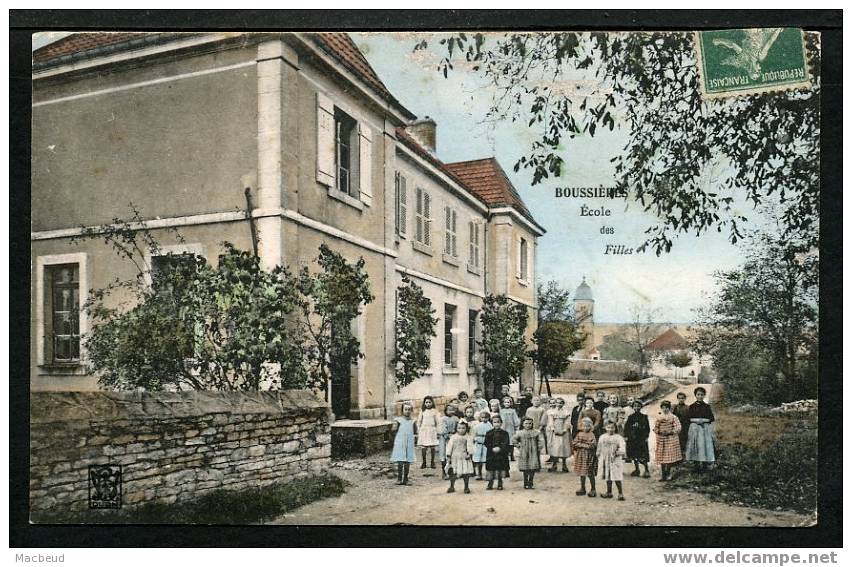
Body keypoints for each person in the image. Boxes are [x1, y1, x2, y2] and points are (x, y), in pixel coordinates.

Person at [685, 387, 716, 471]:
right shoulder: (691, 406)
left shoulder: (706, 406)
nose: (700, 396)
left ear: (704, 395)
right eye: (698, 394)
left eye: (702, 395)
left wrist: (703, 421)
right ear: (695, 395)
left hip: (704, 429)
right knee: (695, 445)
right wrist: (696, 421)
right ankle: (696, 465)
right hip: (694, 428)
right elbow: (688, 418)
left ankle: (705, 464)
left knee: (704, 445)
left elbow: (711, 418)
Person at [654, 400, 683, 481]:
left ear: (669, 408)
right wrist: (659, 431)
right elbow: (655, 428)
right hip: (661, 439)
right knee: (662, 457)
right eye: (663, 407)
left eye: (666, 407)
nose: (665, 409)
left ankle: (668, 473)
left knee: (669, 457)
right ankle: (663, 474)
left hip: (670, 439)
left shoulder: (674, 417)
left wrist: (671, 432)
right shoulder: (659, 417)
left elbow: (678, 427)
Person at [597, 420, 627, 500]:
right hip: (605, 458)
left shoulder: (618, 437)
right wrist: (599, 454)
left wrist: (617, 453)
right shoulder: (602, 437)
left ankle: (620, 493)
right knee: (607, 475)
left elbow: (623, 449)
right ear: (605, 428)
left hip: (615, 459)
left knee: (616, 476)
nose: (610, 429)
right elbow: (599, 447)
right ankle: (609, 492)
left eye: (612, 428)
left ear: (615, 428)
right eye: (608, 427)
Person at [390, 403, 418, 485]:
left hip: (409, 443)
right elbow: (393, 431)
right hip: (400, 442)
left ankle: (406, 479)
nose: (407, 411)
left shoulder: (413, 421)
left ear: (411, 410)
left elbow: (415, 432)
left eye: (409, 409)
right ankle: (399, 478)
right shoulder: (398, 420)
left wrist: (415, 440)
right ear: (402, 410)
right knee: (400, 460)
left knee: (407, 460)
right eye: (405, 409)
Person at [445, 420, 475, 493]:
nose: (461, 430)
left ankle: (466, 487)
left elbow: (470, 446)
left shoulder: (468, 437)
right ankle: (452, 486)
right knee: (453, 472)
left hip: (464, 457)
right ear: (456, 429)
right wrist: (448, 455)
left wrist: (469, 454)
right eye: (459, 428)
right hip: (454, 457)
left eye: (463, 428)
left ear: (466, 428)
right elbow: (449, 446)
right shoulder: (453, 437)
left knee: (465, 473)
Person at [571, 417, 598, 497]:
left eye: (587, 426)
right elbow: (574, 443)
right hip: (581, 456)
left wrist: (582, 445)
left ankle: (593, 489)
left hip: (589, 456)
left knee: (590, 473)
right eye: (584, 426)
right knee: (582, 472)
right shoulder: (579, 434)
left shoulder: (592, 435)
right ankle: (582, 488)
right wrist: (584, 445)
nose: (585, 428)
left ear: (591, 426)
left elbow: (592, 445)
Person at [513, 417, 542, 489]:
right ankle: (525, 482)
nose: (528, 425)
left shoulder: (536, 432)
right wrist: (518, 446)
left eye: (530, 423)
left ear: (532, 424)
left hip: (533, 452)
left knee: (532, 467)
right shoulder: (520, 433)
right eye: (526, 423)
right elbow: (514, 439)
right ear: (523, 424)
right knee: (525, 467)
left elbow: (540, 440)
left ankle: (530, 482)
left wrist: (538, 447)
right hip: (524, 452)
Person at [624, 400, 651, 478]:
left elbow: (647, 428)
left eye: (638, 406)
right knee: (634, 454)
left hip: (641, 439)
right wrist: (626, 436)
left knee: (643, 455)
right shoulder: (630, 417)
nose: (636, 408)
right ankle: (637, 469)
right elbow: (627, 428)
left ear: (641, 407)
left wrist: (646, 436)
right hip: (632, 439)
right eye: (635, 406)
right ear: (633, 407)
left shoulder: (644, 417)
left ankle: (646, 470)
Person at [545, 396, 572, 472]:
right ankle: (554, 465)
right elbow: (550, 421)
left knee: (564, 448)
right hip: (554, 431)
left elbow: (567, 421)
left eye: (561, 403)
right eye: (557, 402)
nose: (559, 404)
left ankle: (564, 465)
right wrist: (553, 429)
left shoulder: (566, 412)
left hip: (564, 431)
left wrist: (564, 430)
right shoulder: (551, 412)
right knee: (555, 447)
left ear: (563, 404)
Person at [484, 414, 510, 490]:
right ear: (492, 423)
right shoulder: (489, 433)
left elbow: (506, 442)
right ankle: (490, 482)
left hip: (501, 454)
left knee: (500, 468)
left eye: (498, 422)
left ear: (501, 423)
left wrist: (500, 448)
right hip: (491, 454)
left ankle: (500, 482)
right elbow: (486, 442)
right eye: (495, 422)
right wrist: (492, 448)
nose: (497, 424)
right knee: (491, 468)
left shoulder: (505, 433)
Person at [417, 396, 439, 469]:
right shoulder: (422, 411)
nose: (428, 404)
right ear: (424, 403)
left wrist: (437, 430)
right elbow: (419, 421)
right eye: (426, 402)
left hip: (432, 429)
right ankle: (424, 462)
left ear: (432, 403)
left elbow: (437, 421)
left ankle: (432, 462)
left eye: (429, 402)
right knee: (424, 447)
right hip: (424, 430)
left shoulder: (434, 411)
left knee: (432, 447)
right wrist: (419, 429)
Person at [437, 404, 459, 480]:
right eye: (449, 410)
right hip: (445, 439)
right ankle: (444, 472)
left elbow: (458, 428)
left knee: (453, 455)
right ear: (445, 411)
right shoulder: (443, 419)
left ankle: (452, 472)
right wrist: (447, 435)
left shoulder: (456, 419)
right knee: (444, 455)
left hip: (453, 438)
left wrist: (456, 434)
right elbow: (443, 429)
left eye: (452, 410)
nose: (451, 411)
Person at [472, 410, 493, 480]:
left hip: (486, 445)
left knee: (487, 460)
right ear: (480, 418)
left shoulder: (490, 426)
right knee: (479, 461)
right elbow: (474, 434)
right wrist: (475, 439)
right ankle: (479, 474)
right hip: (478, 445)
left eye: (486, 418)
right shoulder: (477, 426)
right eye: (482, 417)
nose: (484, 419)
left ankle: (488, 474)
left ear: (488, 418)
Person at [499, 396, 521, 462]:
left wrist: (516, 425)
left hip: (510, 428)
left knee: (511, 442)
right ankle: (504, 455)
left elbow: (516, 419)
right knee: (504, 442)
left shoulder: (513, 411)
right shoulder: (501, 411)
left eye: (508, 402)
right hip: (503, 427)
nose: (507, 403)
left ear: (510, 403)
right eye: (505, 402)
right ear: (503, 403)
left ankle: (512, 455)